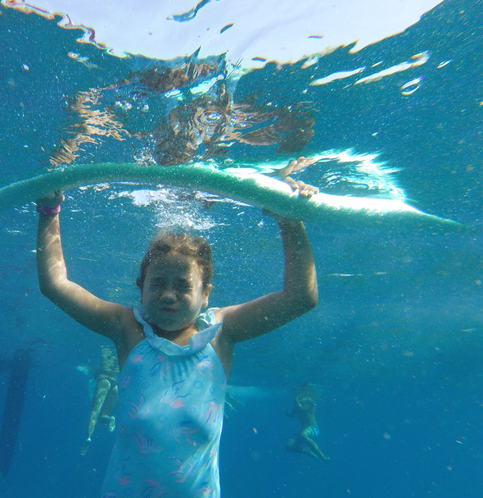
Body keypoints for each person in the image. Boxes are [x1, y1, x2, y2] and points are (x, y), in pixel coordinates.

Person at [35, 165, 318, 497]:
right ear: (141, 288)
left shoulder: (221, 331)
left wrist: (290, 221)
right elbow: (55, 285)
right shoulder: (127, 328)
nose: (168, 295)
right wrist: (48, 211)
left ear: (206, 293)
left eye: (183, 286)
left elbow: (301, 298)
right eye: (157, 284)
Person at [80, 345, 119, 455]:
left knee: (94, 413)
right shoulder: (114, 362)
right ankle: (110, 418)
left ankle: (88, 438)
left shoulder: (99, 370)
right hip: (115, 386)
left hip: (104, 381)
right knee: (103, 416)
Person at [286, 385, 330, 462]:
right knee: (289, 447)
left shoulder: (310, 400)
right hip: (304, 430)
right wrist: (289, 414)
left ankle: (323, 456)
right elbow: (293, 414)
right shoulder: (297, 402)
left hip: (313, 429)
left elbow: (303, 410)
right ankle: (305, 451)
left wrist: (297, 402)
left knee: (303, 435)